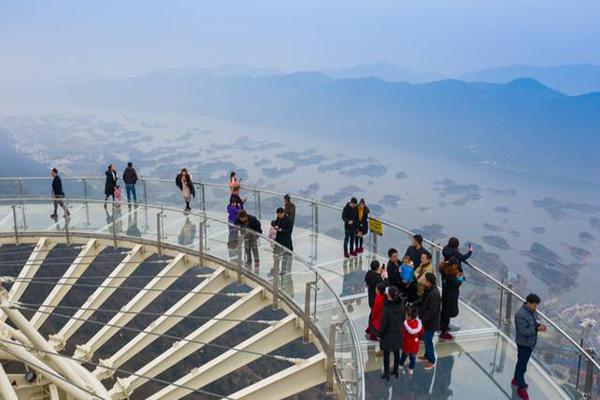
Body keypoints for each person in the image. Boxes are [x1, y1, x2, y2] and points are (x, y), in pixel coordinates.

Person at [513, 293, 546, 400]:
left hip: (529, 343)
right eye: (535, 305)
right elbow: (522, 331)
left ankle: (516, 380)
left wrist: (538, 326)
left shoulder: (532, 311)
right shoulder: (520, 315)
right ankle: (521, 388)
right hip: (523, 344)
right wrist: (536, 329)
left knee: (521, 362)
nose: (536, 308)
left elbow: (535, 322)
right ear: (529, 303)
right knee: (522, 366)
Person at [414, 273, 440, 370]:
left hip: (430, 323)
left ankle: (432, 361)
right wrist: (414, 303)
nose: (423, 280)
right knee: (426, 339)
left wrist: (422, 322)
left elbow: (432, 311)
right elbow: (423, 300)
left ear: (428, 281)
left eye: (425, 279)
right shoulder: (429, 289)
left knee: (428, 341)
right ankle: (427, 354)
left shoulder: (435, 294)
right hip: (426, 320)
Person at [378, 285, 404, 381]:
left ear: (389, 295)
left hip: (388, 336)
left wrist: (380, 335)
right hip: (397, 334)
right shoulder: (401, 305)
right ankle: (396, 370)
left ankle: (387, 373)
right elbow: (403, 319)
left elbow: (384, 324)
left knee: (386, 355)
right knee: (397, 353)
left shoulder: (387, 308)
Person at [439, 258, 463, 340]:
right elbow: (456, 284)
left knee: (444, 311)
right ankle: (444, 332)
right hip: (451, 297)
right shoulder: (451, 275)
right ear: (453, 265)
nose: (457, 267)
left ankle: (441, 326)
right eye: (456, 266)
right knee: (447, 313)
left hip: (445, 294)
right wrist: (461, 278)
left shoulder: (444, 270)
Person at [400, 305, 424, 375]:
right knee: (413, 359)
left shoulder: (406, 324)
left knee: (403, 356)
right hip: (415, 346)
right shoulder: (418, 324)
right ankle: (411, 369)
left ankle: (401, 365)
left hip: (407, 345)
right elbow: (422, 332)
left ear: (409, 316)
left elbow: (402, 332)